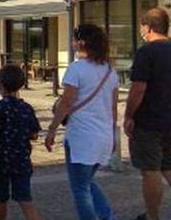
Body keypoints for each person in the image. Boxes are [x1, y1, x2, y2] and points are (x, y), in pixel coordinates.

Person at [44, 24, 120, 220]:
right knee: (87, 182)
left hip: (81, 137)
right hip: (103, 136)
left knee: (80, 189)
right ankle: (108, 216)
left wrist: (52, 129)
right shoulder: (110, 71)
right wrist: (113, 136)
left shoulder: (76, 69)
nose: (72, 43)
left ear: (81, 42)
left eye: (74, 39)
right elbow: (113, 109)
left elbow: (67, 102)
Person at [125, 8, 171, 220]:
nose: (141, 31)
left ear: (149, 27)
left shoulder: (146, 52)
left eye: (142, 27)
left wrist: (128, 115)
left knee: (150, 170)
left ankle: (153, 217)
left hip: (149, 121)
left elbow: (138, 88)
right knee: (168, 166)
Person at [0, 65, 42, 220]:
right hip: (22, 160)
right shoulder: (27, 108)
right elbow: (34, 134)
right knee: (25, 198)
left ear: (0, 85)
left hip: (0, 160)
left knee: (0, 198)